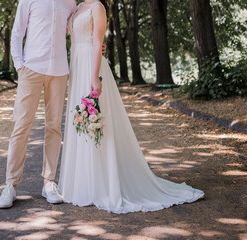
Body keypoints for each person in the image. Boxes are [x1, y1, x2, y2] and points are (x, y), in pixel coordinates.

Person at [58, 0, 205, 214]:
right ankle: (84, 183)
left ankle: (103, 183)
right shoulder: (77, 7)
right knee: (81, 124)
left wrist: (94, 78)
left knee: (96, 124)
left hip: (90, 68)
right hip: (76, 66)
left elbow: (97, 42)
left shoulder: (97, 7)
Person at [0, 0, 77, 208]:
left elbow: (77, 31)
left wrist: (98, 44)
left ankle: (49, 182)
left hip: (59, 70)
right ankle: (10, 185)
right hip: (31, 68)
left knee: (53, 127)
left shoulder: (70, 3)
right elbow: (17, 32)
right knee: (21, 125)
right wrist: (19, 65)